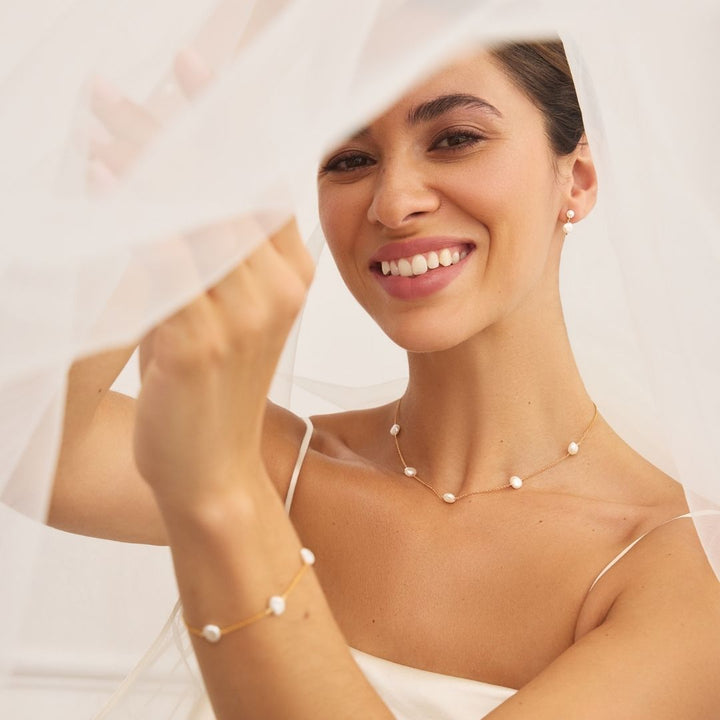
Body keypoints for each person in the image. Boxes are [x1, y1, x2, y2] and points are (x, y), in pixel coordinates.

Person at [48, 39, 720, 720]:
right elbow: (36, 444)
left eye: (455, 139)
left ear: (577, 179)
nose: (393, 203)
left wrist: (222, 489)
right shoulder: (287, 469)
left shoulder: (683, 573)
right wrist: (151, 216)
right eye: (350, 159)